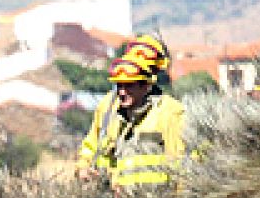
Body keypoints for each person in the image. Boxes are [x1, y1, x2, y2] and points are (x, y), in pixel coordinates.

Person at [78, 32, 185, 189]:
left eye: (129, 85)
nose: (122, 92)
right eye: (119, 85)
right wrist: (83, 167)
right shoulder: (107, 107)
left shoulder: (170, 112)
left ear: (147, 84)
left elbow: (180, 165)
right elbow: (90, 146)